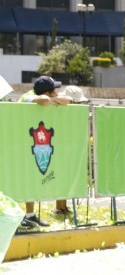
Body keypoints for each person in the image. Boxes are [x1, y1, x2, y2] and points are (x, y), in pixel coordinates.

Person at [17, 76, 71, 229]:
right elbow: (45, 101)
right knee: (18, 181)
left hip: (31, 143)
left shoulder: (42, 95)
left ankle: (30, 215)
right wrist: (52, 100)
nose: (57, 92)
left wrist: (53, 99)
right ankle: (14, 216)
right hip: (17, 143)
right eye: (54, 90)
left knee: (30, 179)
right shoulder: (27, 97)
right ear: (47, 92)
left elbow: (67, 100)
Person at [54, 86, 90, 216]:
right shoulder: (58, 109)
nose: (79, 104)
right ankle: (59, 206)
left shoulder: (75, 112)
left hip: (71, 147)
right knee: (61, 177)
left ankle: (64, 206)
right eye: (77, 101)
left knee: (67, 177)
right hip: (60, 147)